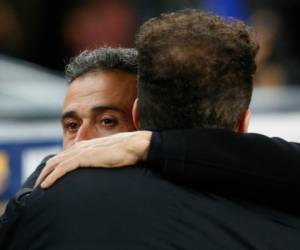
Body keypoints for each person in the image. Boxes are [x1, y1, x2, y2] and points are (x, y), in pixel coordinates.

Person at [2, 9, 300, 249]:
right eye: (71, 125)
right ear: (243, 123)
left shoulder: (44, 200)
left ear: (136, 115)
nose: (83, 145)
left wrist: (154, 146)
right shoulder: (283, 221)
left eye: (107, 121)